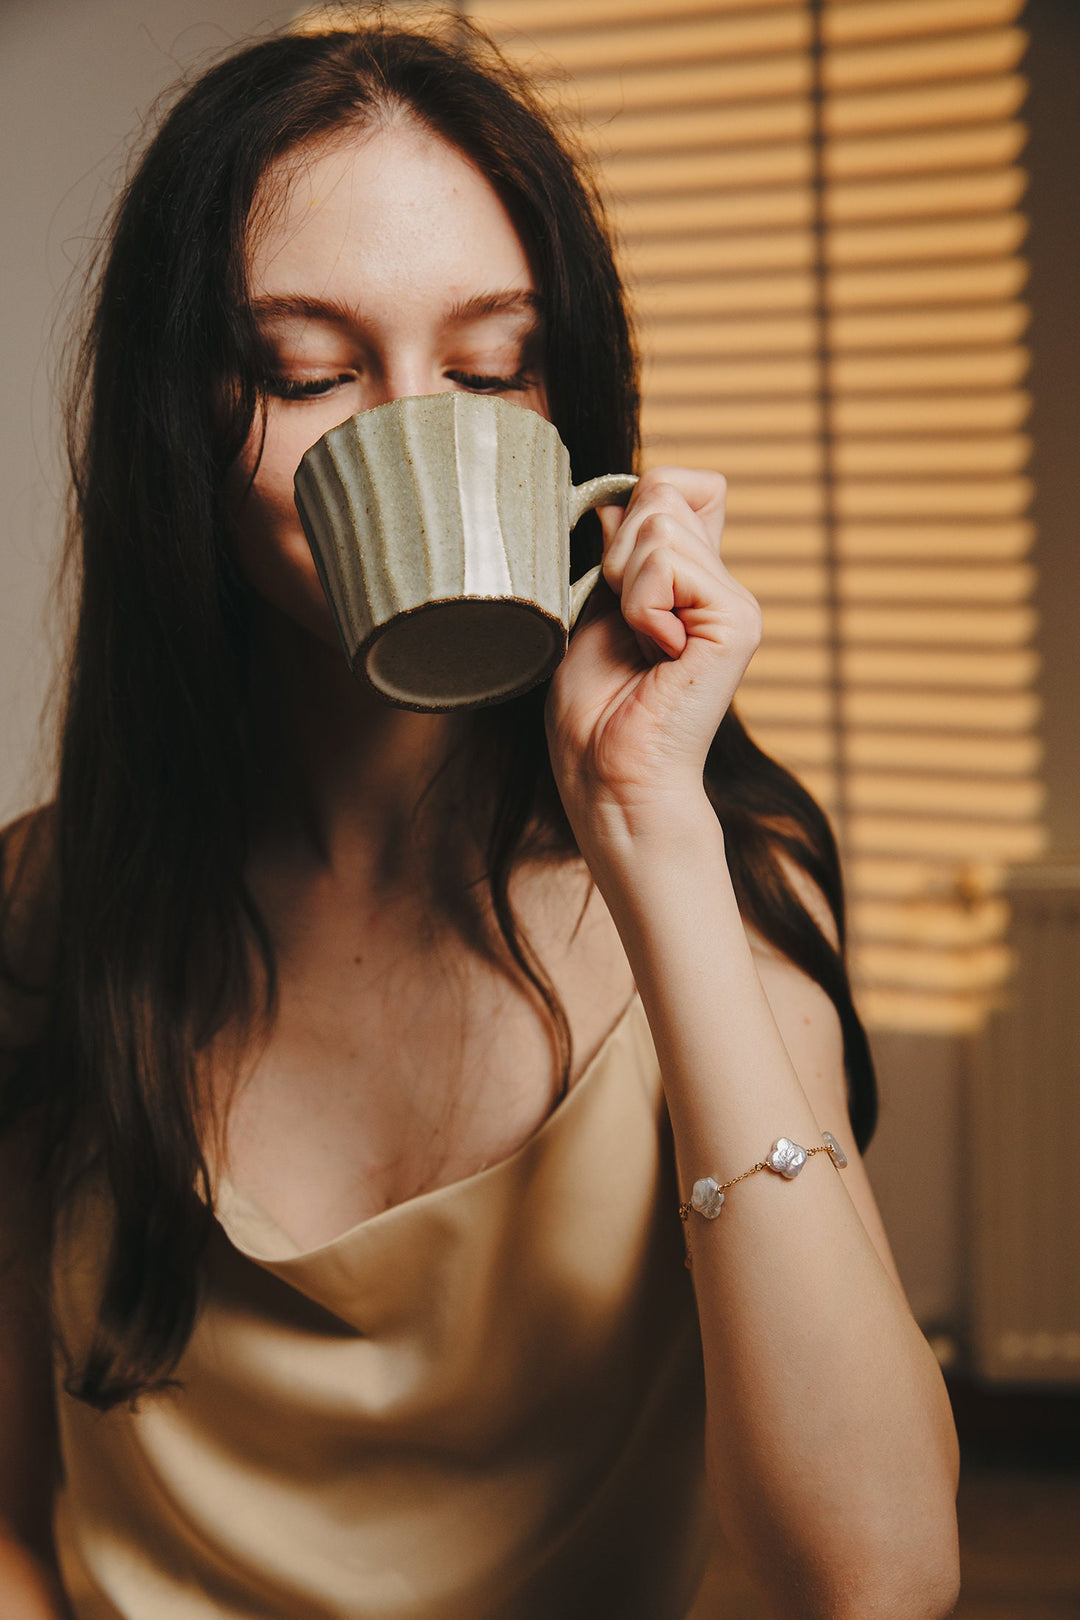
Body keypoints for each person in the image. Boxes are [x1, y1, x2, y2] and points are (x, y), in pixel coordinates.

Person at [0, 17, 960, 1620]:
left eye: (490, 367)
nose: (406, 429)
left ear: (563, 410)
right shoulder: (46, 906)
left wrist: (651, 838)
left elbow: (876, 1576)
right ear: (184, 421)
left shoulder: (717, 878)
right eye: (309, 371)